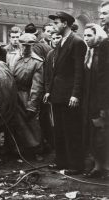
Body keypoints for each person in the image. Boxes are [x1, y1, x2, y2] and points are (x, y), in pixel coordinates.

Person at [44, 12, 87, 175]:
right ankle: (61, 162)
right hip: (58, 95)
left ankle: (76, 165)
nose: (53, 26)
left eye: (56, 23)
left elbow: (79, 72)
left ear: (65, 24)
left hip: (70, 96)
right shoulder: (62, 42)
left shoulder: (77, 42)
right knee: (60, 131)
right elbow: (56, 71)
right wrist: (49, 91)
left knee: (72, 131)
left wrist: (75, 94)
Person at [8, 33, 44, 159]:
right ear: (19, 44)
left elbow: (37, 86)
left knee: (30, 123)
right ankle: (13, 150)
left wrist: (32, 105)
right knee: (12, 123)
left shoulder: (37, 62)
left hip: (25, 95)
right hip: (11, 94)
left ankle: (35, 151)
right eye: (23, 45)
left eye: (29, 46)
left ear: (33, 46)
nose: (25, 48)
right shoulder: (11, 56)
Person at [82, 23, 108, 178]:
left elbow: (103, 79)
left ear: (97, 35)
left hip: (102, 98)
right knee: (93, 132)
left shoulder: (102, 52)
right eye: (84, 35)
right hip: (90, 99)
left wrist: (103, 104)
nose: (86, 39)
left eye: (89, 35)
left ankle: (104, 166)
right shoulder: (88, 52)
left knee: (103, 133)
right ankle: (98, 165)